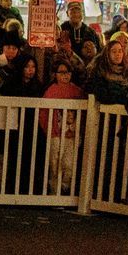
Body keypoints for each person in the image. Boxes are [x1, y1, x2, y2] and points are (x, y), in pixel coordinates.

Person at [40, 58, 85, 195]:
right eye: (62, 72)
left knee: (69, 164)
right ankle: (55, 191)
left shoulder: (77, 91)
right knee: (55, 164)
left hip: (72, 135)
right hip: (55, 134)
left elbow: (83, 114)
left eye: (68, 72)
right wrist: (49, 130)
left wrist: (79, 129)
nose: (65, 75)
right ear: (55, 74)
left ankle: (66, 189)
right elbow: (43, 113)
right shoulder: (51, 92)